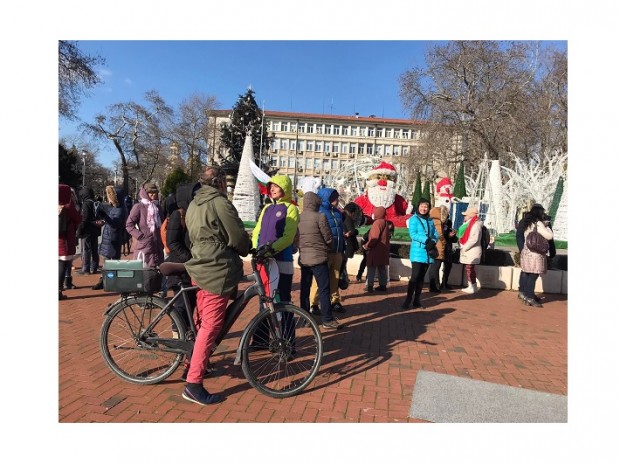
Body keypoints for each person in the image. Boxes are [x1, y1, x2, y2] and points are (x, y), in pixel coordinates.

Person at [182, 166, 251, 406]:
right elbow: (238, 236)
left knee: (202, 322)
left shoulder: (194, 204)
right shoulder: (220, 203)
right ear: (220, 182)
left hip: (200, 264)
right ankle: (193, 383)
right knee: (211, 326)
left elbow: (192, 235)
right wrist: (246, 246)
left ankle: (193, 363)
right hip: (216, 268)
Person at [250, 174, 300, 346]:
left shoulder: (291, 209)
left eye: (276, 186)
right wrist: (255, 250)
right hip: (263, 260)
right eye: (271, 186)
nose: (272, 189)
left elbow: (288, 236)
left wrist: (271, 249)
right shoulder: (266, 208)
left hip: (281, 261)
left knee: (283, 302)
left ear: (284, 188)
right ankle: (261, 340)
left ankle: (288, 342)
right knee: (264, 300)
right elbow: (257, 231)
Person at [297, 191, 342, 330]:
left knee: (305, 289)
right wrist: (330, 246)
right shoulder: (320, 217)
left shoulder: (299, 218)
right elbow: (328, 238)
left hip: (304, 259)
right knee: (324, 288)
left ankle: (305, 318)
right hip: (319, 258)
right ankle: (327, 319)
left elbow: (295, 239)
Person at [310, 187, 346, 315]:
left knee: (335, 278)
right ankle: (313, 304)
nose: (337, 199)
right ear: (327, 198)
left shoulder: (337, 212)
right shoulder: (320, 211)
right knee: (319, 280)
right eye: (334, 197)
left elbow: (339, 229)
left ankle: (335, 301)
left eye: (337, 197)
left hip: (337, 251)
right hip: (325, 252)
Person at [401, 198, 438, 310]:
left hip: (428, 252)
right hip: (418, 252)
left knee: (422, 278)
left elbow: (435, 234)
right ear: (418, 207)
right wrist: (426, 240)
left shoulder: (431, 220)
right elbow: (413, 234)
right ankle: (408, 300)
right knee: (415, 276)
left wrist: (433, 241)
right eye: (422, 206)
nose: (423, 208)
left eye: (426, 206)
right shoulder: (414, 219)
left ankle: (417, 300)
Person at [516, 204, 554, 307]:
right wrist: (547, 226)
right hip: (535, 253)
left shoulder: (526, 222)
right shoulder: (538, 223)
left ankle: (526, 294)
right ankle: (530, 297)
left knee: (527, 273)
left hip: (526, 250)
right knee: (534, 274)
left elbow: (520, 235)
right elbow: (549, 236)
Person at [92, 186, 127, 290]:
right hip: (108, 237)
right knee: (107, 261)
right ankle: (104, 280)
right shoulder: (114, 207)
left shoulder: (120, 210)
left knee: (113, 262)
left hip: (114, 238)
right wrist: (103, 219)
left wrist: (105, 216)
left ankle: (112, 282)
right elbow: (110, 219)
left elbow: (115, 224)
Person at [125, 182, 165, 268]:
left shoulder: (158, 207)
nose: (153, 195)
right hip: (144, 247)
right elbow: (129, 225)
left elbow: (162, 223)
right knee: (144, 276)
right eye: (151, 193)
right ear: (145, 193)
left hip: (158, 246)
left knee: (157, 276)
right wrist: (140, 236)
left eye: (155, 193)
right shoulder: (138, 207)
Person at [59, 184, 82, 300]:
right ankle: (58, 290)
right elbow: (78, 219)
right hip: (65, 240)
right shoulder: (68, 207)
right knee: (63, 264)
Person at [427, 205, 456, 293]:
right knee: (436, 266)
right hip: (438, 246)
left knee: (448, 265)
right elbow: (437, 234)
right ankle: (435, 285)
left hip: (447, 246)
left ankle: (444, 283)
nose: (448, 216)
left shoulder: (448, 222)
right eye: (446, 214)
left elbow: (447, 234)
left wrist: (452, 236)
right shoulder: (434, 221)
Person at [363, 206, 391, 293]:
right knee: (381, 267)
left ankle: (370, 286)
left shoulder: (377, 223)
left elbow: (374, 237)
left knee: (371, 268)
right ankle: (383, 285)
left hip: (375, 249)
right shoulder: (385, 222)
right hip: (383, 249)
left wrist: (367, 245)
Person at [457, 205, 483, 294]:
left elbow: (473, 239)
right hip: (469, 250)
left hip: (472, 250)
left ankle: (472, 286)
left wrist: (464, 247)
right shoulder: (469, 224)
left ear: (471, 216)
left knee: (470, 269)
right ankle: (471, 285)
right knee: (469, 269)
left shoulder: (475, 225)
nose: (464, 216)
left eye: (466, 215)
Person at [75, 186, 102, 275]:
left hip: (87, 230)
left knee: (86, 249)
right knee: (94, 249)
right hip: (96, 229)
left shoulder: (86, 204)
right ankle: (94, 267)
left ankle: (85, 269)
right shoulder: (96, 202)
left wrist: (79, 230)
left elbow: (84, 219)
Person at [341, 202, 360, 288]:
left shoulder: (341, 216)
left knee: (343, 263)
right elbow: (351, 231)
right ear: (351, 212)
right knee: (343, 263)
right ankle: (344, 280)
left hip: (342, 243)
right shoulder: (348, 218)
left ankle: (345, 278)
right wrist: (356, 231)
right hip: (347, 244)